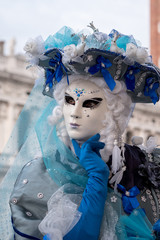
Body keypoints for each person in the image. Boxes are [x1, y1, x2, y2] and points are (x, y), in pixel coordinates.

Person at [0, 23, 160, 240]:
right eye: (69, 100)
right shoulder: (38, 175)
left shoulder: (144, 166)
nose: (74, 112)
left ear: (115, 111)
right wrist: (96, 180)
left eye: (90, 103)